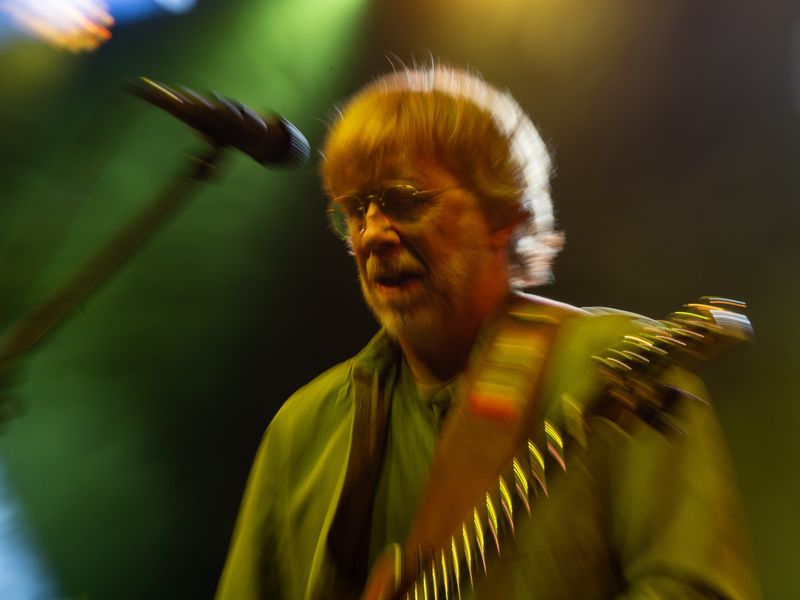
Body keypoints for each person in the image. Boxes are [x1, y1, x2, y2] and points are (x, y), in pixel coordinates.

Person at [215, 64, 760, 599]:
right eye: (355, 210)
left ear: (504, 213)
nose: (372, 233)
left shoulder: (621, 367)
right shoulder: (302, 429)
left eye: (405, 199)